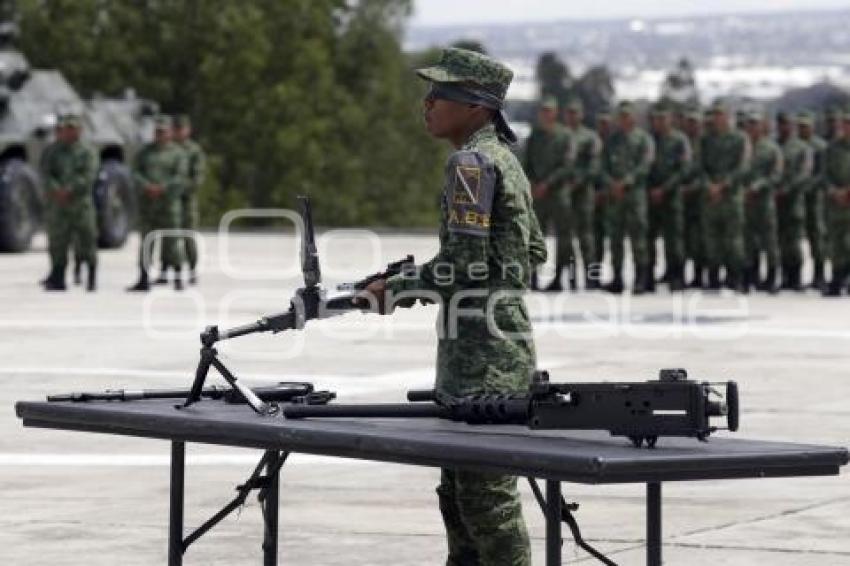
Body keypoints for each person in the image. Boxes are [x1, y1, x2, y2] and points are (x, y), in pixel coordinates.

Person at [364, 47, 545, 566]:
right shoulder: (504, 159)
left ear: (475, 106)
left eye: (439, 94)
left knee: (485, 505)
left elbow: (462, 267)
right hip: (497, 350)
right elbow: (531, 251)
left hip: (481, 365)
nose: (427, 103)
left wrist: (393, 290)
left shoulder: (470, 163)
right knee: (463, 500)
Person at [128, 115, 188, 291]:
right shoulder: (144, 153)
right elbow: (135, 172)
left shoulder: (178, 154)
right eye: (157, 132)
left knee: (172, 241)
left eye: (163, 131)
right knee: (147, 242)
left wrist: (163, 188)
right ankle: (143, 278)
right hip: (148, 204)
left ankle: (178, 277)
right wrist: (147, 186)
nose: (160, 135)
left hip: (168, 205)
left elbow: (180, 176)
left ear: (169, 133)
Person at [39, 113, 99, 291]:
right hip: (58, 205)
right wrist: (56, 189)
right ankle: (58, 278)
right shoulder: (52, 151)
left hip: (81, 205)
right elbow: (46, 173)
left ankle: (91, 278)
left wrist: (70, 189)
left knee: (87, 241)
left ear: (80, 130)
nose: (69, 132)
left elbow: (89, 175)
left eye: (73, 128)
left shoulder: (88, 152)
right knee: (58, 242)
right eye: (66, 128)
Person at [600, 101, 654, 294]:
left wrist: (626, 182)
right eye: (621, 116)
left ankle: (641, 279)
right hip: (615, 197)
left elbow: (645, 165)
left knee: (638, 239)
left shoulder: (643, 140)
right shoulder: (612, 141)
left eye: (627, 116)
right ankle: (617, 278)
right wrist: (611, 183)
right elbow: (602, 166)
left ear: (634, 118)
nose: (624, 120)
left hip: (635, 196)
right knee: (615, 239)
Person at [522, 95, 573, 291]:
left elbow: (567, 166)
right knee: (534, 236)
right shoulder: (535, 135)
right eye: (543, 111)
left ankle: (559, 277)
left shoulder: (565, 135)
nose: (545, 114)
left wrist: (547, 184)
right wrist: (533, 184)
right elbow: (527, 164)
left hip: (558, 193)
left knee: (564, 237)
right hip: (538, 195)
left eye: (549, 111)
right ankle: (533, 276)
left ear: (555, 113)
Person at [700, 102, 751, 292]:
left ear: (728, 116)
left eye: (721, 114)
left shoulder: (739, 139)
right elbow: (700, 166)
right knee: (712, 239)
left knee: (734, 240)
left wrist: (723, 185)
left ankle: (735, 277)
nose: (717, 118)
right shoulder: (706, 140)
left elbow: (743, 167)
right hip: (711, 197)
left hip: (731, 197)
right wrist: (709, 186)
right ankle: (713, 277)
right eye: (715, 115)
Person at [157, 115, 206, 285]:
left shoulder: (193, 150)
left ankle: (192, 270)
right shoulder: (167, 149)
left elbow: (197, 178)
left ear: (188, 130)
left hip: (186, 200)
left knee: (188, 236)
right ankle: (165, 268)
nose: (178, 132)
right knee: (167, 236)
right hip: (168, 200)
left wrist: (180, 189)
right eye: (175, 129)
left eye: (181, 129)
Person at [646, 103, 691, 291]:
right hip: (650, 196)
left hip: (671, 196)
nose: (659, 123)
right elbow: (644, 166)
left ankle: (676, 276)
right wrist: (651, 189)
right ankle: (647, 276)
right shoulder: (649, 141)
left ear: (670, 120)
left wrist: (664, 188)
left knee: (674, 240)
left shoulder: (679, 140)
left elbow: (684, 169)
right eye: (656, 119)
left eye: (663, 119)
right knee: (648, 238)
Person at [563, 99, 602, 289]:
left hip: (583, 192)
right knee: (566, 238)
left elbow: (594, 166)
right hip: (563, 192)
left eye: (575, 112)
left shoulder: (590, 137)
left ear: (582, 115)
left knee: (586, 237)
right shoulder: (561, 135)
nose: (572, 116)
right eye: (569, 112)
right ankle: (570, 278)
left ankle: (592, 277)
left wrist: (578, 181)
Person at [743, 111, 783, 293]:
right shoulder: (742, 147)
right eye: (749, 124)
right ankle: (751, 276)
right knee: (748, 240)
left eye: (755, 124)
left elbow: (776, 174)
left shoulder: (771, 149)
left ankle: (772, 276)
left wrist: (758, 186)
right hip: (744, 201)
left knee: (769, 240)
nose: (752, 128)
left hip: (764, 201)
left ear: (762, 126)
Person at [775, 112, 813, 291]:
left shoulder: (801, 147)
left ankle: (796, 277)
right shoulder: (774, 146)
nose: (784, 127)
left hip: (794, 200)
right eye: (781, 124)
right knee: (780, 241)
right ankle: (784, 276)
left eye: (787, 124)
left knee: (794, 241)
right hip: (776, 201)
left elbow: (804, 173)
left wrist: (788, 189)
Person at [797, 111, 828, 290]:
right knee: (798, 237)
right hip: (797, 197)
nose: (803, 129)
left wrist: (809, 186)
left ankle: (820, 274)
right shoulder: (795, 146)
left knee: (817, 237)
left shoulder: (820, 147)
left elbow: (822, 172)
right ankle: (795, 275)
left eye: (806, 126)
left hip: (815, 197)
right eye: (801, 126)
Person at [823, 111, 850, 296]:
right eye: (846, 123)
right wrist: (833, 191)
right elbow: (824, 174)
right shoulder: (832, 148)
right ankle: (837, 279)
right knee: (836, 244)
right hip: (836, 205)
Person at [681, 107, 706, 288]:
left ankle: (700, 274)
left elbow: (707, 169)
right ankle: (680, 273)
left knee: (700, 238)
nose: (692, 126)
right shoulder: (682, 142)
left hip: (702, 197)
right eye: (689, 122)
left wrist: (694, 187)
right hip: (681, 197)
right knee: (683, 237)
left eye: (695, 122)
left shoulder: (706, 143)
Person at [592, 111, 613, 285]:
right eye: (601, 123)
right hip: (592, 197)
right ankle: (595, 276)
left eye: (606, 123)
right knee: (595, 239)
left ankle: (616, 276)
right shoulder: (593, 143)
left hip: (612, 198)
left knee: (613, 239)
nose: (603, 127)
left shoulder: (615, 143)